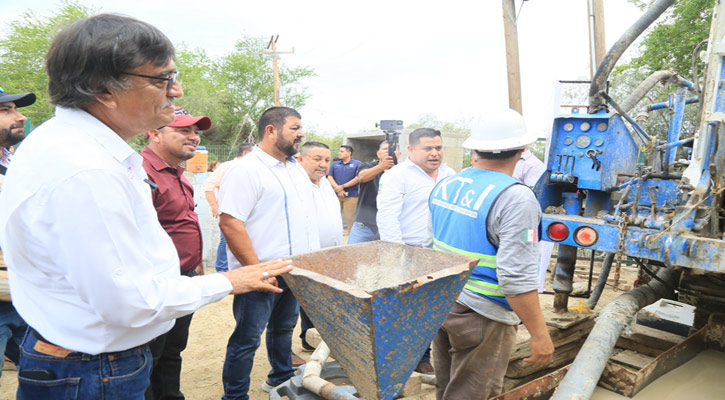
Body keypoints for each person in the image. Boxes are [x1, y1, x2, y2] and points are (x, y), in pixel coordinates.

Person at [0, 15, 292, 400]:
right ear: (103, 88)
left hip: (85, 362)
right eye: (162, 79)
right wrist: (230, 281)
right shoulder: (86, 169)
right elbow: (128, 303)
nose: (177, 90)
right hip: (94, 371)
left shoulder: (78, 148)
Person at [429, 109, 554, 399]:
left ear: (475, 149)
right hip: (482, 314)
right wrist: (539, 334)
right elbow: (516, 277)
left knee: (447, 387)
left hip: (443, 302)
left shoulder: (448, 184)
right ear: (523, 150)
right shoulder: (517, 198)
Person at [219, 107, 319, 399]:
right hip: (260, 274)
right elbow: (230, 222)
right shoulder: (246, 170)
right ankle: (235, 396)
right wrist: (258, 271)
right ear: (271, 130)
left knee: (283, 330)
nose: (301, 134)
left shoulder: (294, 169)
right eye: (295, 128)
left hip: (292, 270)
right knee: (247, 340)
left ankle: (280, 377)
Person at [141, 106, 211, 399]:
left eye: (195, 131)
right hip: (154, 283)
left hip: (182, 278)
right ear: (154, 133)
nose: (193, 137)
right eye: (183, 130)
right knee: (149, 356)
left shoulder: (179, 174)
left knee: (172, 349)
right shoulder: (139, 172)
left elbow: (182, 223)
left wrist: (194, 264)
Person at [377, 127, 455, 374]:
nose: (435, 154)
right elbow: (388, 217)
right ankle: (396, 361)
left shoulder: (450, 175)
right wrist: (397, 255)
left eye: (438, 148)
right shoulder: (396, 176)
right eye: (428, 148)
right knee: (404, 309)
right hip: (408, 251)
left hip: (440, 253)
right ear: (411, 149)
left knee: (432, 308)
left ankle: (423, 358)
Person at [0, 87, 35, 379]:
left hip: (20, 294)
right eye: (6, 110)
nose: (19, 116)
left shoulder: (11, 163)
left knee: (42, 374)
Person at [296, 141, 342, 350]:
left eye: (326, 160)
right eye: (317, 159)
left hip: (329, 254)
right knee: (307, 300)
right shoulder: (296, 184)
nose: (323, 164)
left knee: (320, 300)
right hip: (305, 256)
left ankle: (312, 338)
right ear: (300, 159)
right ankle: (308, 337)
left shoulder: (324, 183)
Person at [203, 143, 255, 273]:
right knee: (226, 240)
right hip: (229, 213)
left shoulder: (255, 168)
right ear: (245, 153)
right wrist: (214, 206)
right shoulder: (227, 167)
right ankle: (222, 270)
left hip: (249, 213)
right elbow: (208, 185)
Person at [347, 140, 399, 244]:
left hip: (391, 228)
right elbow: (362, 177)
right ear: (378, 153)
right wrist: (381, 167)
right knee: (352, 257)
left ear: (399, 154)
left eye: (393, 150)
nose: (389, 152)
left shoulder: (403, 172)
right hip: (364, 226)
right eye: (385, 149)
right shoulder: (367, 166)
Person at [327, 145, 361, 234]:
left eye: (342, 151)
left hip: (351, 196)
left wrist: (343, 187)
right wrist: (338, 189)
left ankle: (351, 240)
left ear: (349, 153)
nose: (339, 153)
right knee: (333, 218)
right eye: (339, 151)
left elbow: (358, 178)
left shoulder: (357, 164)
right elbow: (329, 176)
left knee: (351, 219)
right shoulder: (335, 164)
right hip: (336, 195)